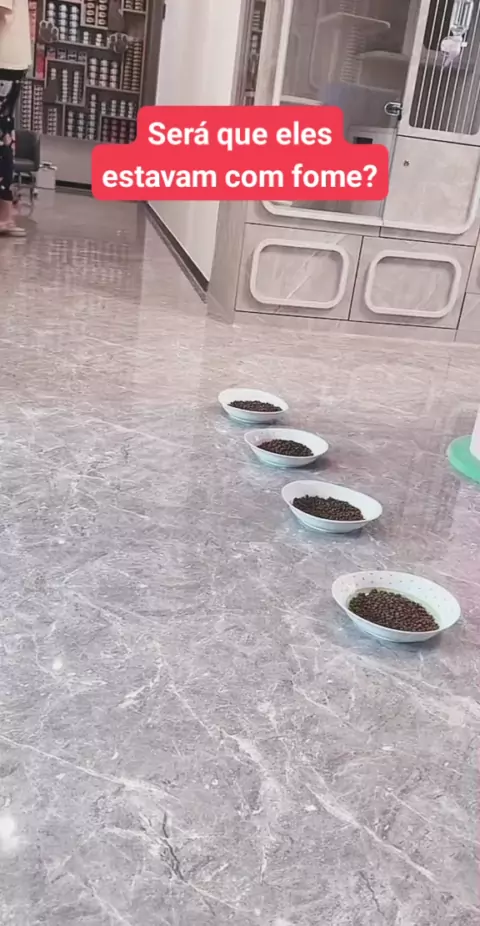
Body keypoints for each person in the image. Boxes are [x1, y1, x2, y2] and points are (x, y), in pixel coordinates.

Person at [0, 0, 31, 237]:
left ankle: (4, 215)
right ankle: (5, 214)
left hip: (4, 62)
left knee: (3, 140)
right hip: (11, 62)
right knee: (5, 137)